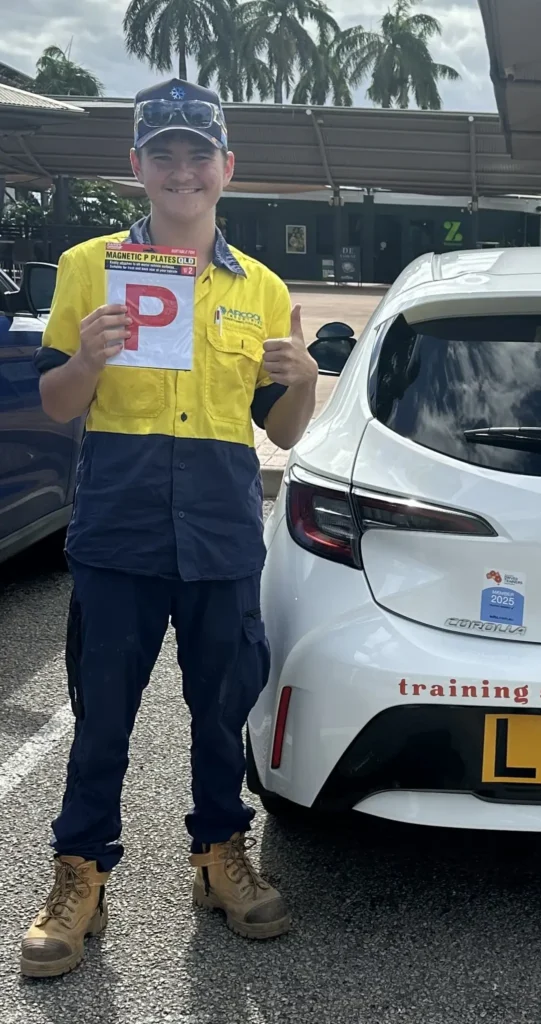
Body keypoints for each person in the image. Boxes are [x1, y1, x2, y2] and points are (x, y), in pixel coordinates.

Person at [20, 78, 320, 978]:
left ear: (227, 167)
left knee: (219, 710)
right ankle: (80, 876)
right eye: (164, 155)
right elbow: (54, 399)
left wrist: (303, 375)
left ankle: (218, 856)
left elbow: (284, 431)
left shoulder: (263, 289)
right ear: (137, 168)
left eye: (199, 155)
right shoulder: (88, 268)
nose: (182, 171)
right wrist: (86, 357)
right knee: (101, 711)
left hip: (224, 522)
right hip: (121, 519)